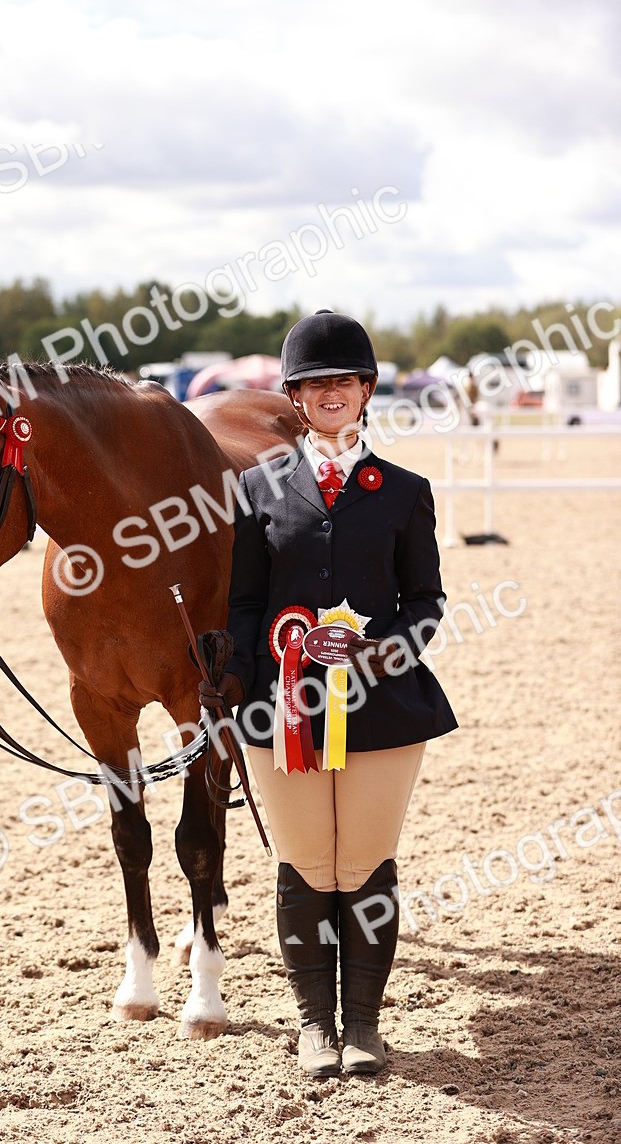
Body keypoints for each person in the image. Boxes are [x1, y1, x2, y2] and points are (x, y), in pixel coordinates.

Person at [199, 309, 457, 1078]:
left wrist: (381, 654)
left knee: (366, 866)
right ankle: (315, 1025)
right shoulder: (256, 489)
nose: (332, 393)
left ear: (368, 390)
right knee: (308, 863)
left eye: (344, 380)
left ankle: (365, 1027)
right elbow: (245, 602)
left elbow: (428, 603)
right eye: (315, 384)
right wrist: (242, 672)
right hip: (284, 707)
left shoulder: (404, 492)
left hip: (383, 706)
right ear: (296, 398)